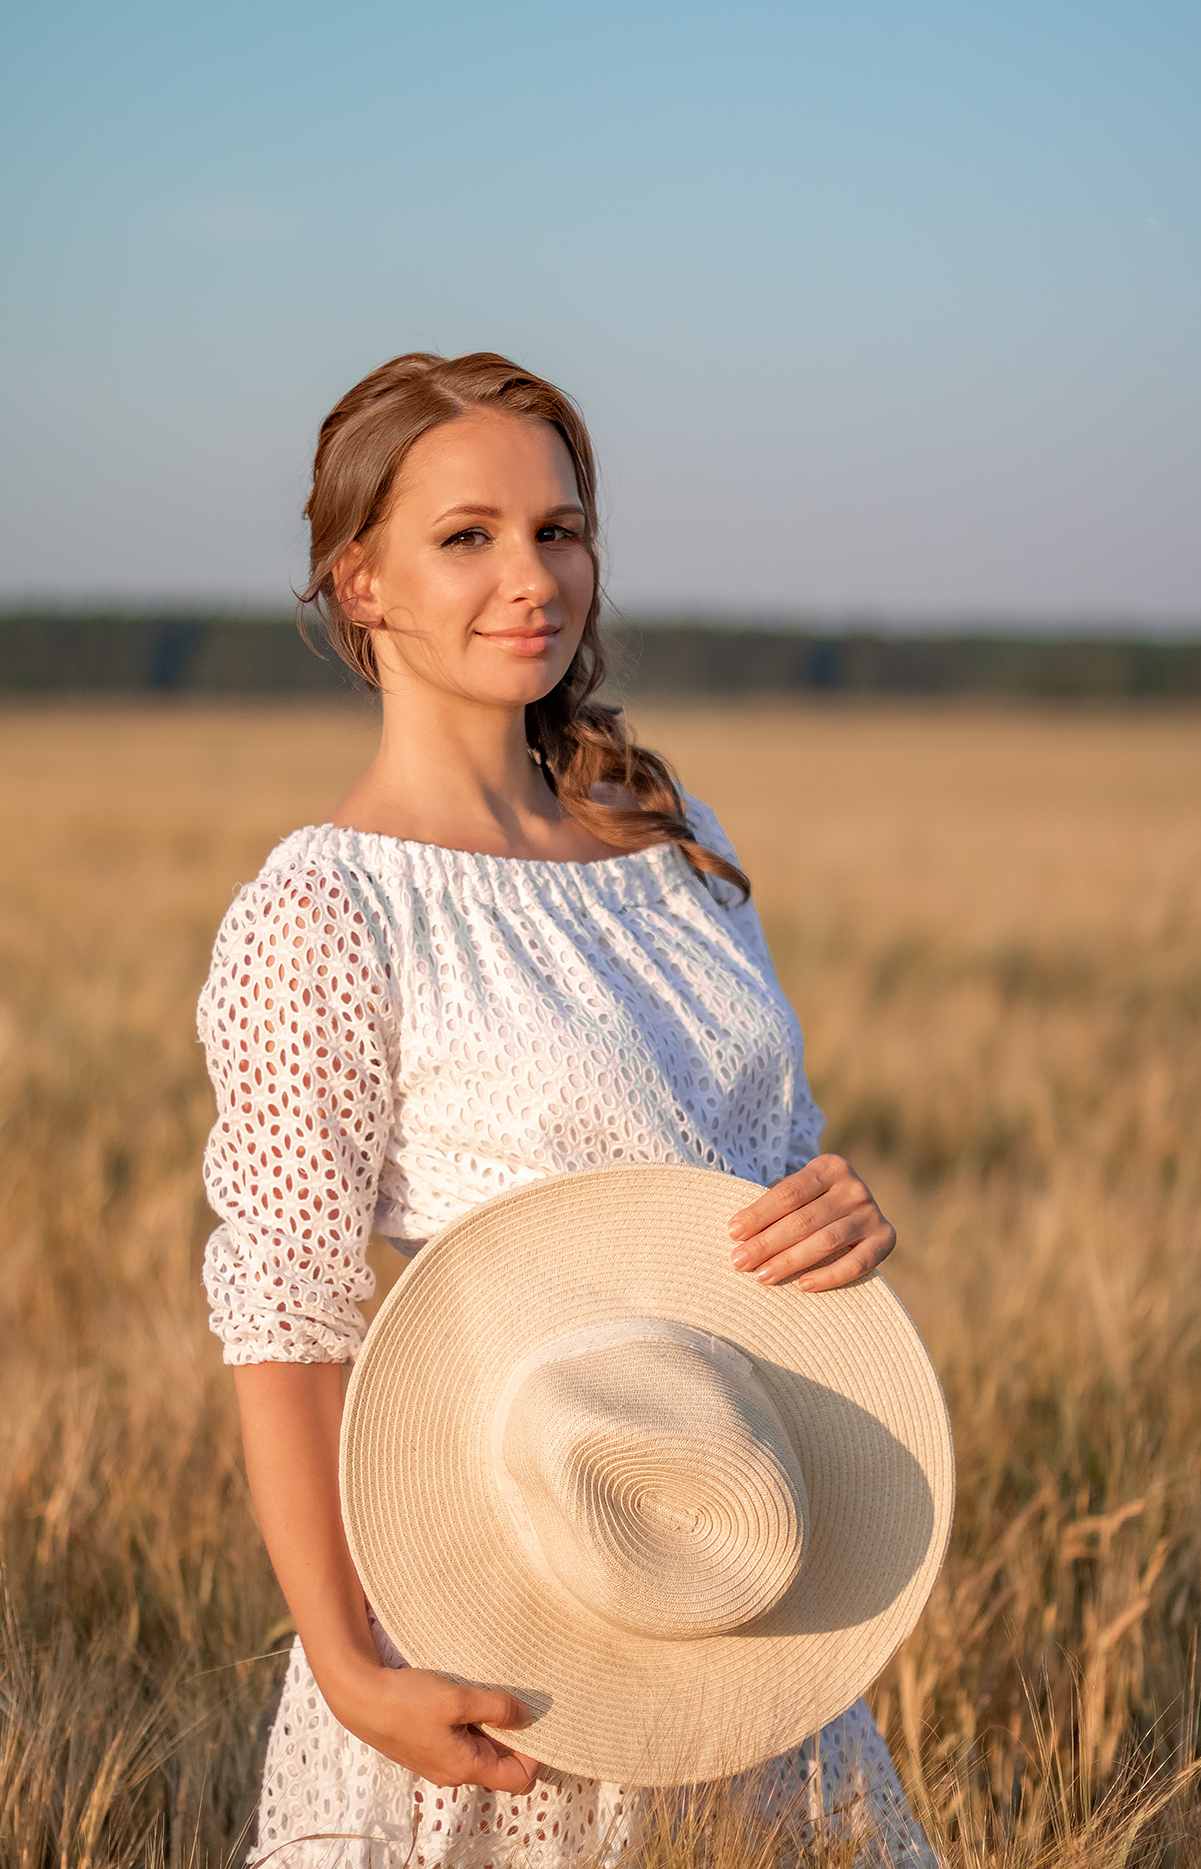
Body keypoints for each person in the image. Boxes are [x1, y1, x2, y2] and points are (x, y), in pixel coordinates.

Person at [197, 352, 937, 1867]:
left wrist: (837, 1218)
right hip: (502, 1608)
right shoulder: (323, 912)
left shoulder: (675, 847)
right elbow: (286, 1319)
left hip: (727, 1568)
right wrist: (350, 1670)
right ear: (362, 585)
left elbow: (765, 1168)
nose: (532, 577)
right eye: (467, 536)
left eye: (561, 529)